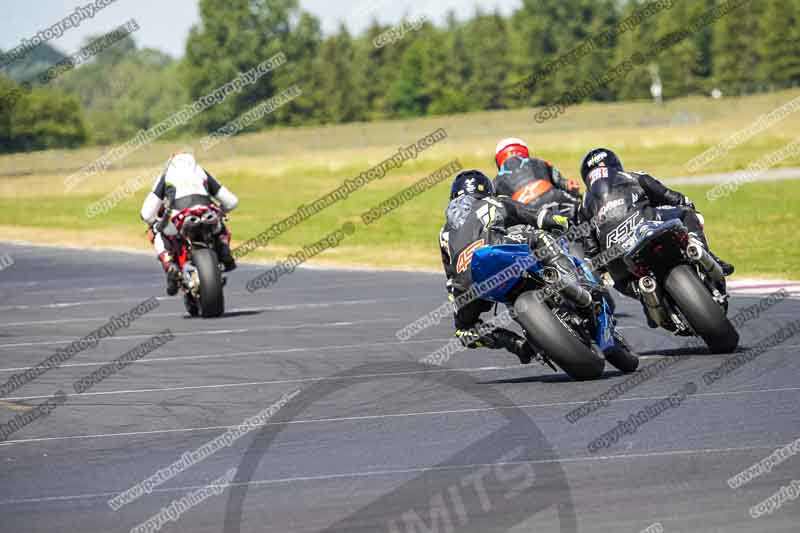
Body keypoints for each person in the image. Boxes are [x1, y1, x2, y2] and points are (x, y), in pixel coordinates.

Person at [439, 169, 569, 364]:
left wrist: (456, 296)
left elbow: (450, 274)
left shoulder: (444, 232)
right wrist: (558, 221)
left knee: (465, 331)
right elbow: (532, 215)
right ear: (485, 189)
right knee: (536, 235)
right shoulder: (494, 201)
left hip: (468, 283)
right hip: (496, 252)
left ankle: (515, 344)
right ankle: (569, 277)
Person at [577, 147, 734, 301]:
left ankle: (648, 301)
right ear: (614, 163)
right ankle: (703, 253)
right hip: (646, 225)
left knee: (618, 279)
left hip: (617, 254)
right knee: (687, 213)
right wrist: (686, 202)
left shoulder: (583, 205)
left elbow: (590, 250)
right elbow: (668, 195)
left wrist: (602, 265)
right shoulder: (632, 176)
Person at [140, 152, 239, 296]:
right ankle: (224, 250)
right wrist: (221, 211)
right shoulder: (202, 172)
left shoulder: (165, 177)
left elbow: (147, 214)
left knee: (155, 231)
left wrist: (155, 222)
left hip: (178, 215)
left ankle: (169, 264)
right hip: (207, 211)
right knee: (220, 217)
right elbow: (231, 202)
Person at [493, 138, 582, 218]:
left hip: (528, 211)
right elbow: (565, 184)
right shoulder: (539, 162)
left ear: (499, 159)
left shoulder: (496, 181)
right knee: (583, 211)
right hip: (554, 196)